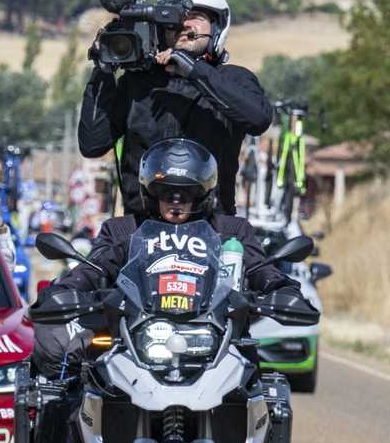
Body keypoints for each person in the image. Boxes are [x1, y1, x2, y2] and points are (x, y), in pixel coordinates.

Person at [31, 139, 302, 381]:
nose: (176, 201)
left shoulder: (233, 231)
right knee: (66, 367)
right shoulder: (123, 230)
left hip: (218, 339)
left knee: (265, 392)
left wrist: (283, 291)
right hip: (135, 337)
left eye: (188, 192)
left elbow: (263, 272)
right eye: (166, 191)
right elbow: (92, 269)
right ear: (150, 192)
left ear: (205, 193)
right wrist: (67, 289)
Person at [78, 0, 273, 219]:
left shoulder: (234, 79)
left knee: (256, 255)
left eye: (198, 16)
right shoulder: (136, 83)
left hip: (215, 229)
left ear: (217, 27)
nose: (185, 24)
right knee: (96, 254)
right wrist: (102, 72)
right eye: (175, 18)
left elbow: (258, 119)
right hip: (141, 230)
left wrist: (194, 71)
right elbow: (92, 145)